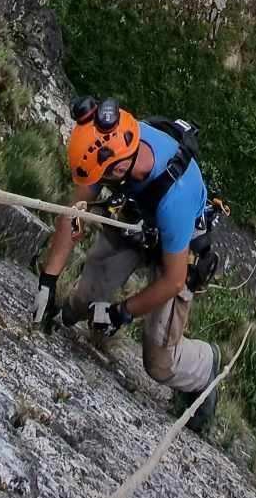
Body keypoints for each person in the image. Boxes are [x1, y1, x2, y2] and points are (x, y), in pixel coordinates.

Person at [34, 98, 221, 430]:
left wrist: (123, 312)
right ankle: (71, 308)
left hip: (177, 248)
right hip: (136, 222)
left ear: (118, 169)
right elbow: (74, 214)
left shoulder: (174, 197)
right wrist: (48, 282)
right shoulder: (109, 145)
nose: (96, 186)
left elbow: (174, 280)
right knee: (83, 299)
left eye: (102, 180)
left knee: (160, 364)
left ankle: (206, 366)